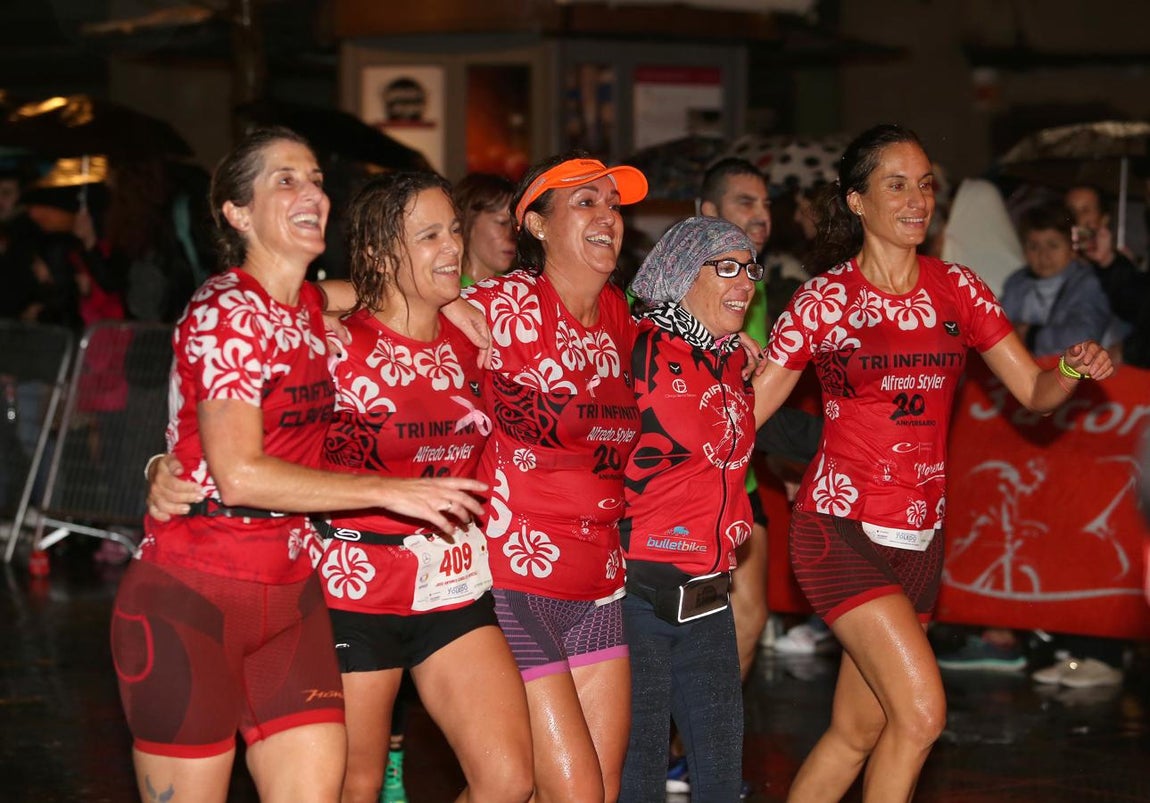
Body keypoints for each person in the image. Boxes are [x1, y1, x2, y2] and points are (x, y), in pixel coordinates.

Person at [114, 127, 487, 802]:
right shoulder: (228, 309)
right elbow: (240, 474)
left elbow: (379, 289)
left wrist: (450, 295)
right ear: (237, 212)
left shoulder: (308, 305)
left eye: (314, 178)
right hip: (194, 596)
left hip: (291, 598)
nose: (311, 191)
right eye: (284, 180)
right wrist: (392, 491)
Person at [748, 123, 1115, 802]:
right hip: (838, 527)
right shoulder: (825, 300)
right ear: (857, 201)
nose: (917, 200)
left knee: (857, 732)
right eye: (896, 185)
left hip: (919, 538)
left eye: (924, 185)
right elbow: (748, 413)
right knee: (922, 715)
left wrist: (1068, 367)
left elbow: (1034, 393)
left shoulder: (959, 290)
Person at [316, 171, 533, 803]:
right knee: (356, 787)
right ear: (380, 252)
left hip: (453, 585)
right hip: (354, 589)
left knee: (509, 782)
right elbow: (255, 308)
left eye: (454, 231)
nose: (452, 247)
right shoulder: (335, 341)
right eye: (429, 235)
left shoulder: (473, 338)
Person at [463, 152, 647, 802]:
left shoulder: (620, 315)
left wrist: (728, 344)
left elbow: (684, 332)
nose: (608, 216)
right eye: (585, 202)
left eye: (613, 205)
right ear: (536, 224)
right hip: (516, 581)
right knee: (571, 793)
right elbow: (388, 308)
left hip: (600, 583)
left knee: (591, 790)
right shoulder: (501, 305)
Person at [619, 216, 759, 802]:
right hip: (636, 596)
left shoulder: (733, 362)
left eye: (750, 268)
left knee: (722, 780)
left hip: (709, 595)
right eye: (726, 267)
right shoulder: (633, 348)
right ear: (680, 273)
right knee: (639, 780)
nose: (745, 281)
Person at [697, 158, 773, 678]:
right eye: (745, 202)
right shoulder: (663, 284)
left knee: (749, 615)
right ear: (708, 212)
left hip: (740, 477)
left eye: (766, 203)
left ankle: (702, 729)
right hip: (684, 482)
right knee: (677, 625)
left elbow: (762, 390)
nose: (761, 215)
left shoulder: (759, 288)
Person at [999, 201, 1112, 357]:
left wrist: (1030, 335)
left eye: (1053, 245)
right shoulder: (1017, 283)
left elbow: (1083, 338)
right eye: (1033, 247)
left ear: (1072, 249)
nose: (1043, 255)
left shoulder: (1088, 283)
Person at [452, 172, 516, 286]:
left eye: (516, 225)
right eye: (502, 223)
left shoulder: (515, 288)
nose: (513, 235)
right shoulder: (451, 291)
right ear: (467, 221)